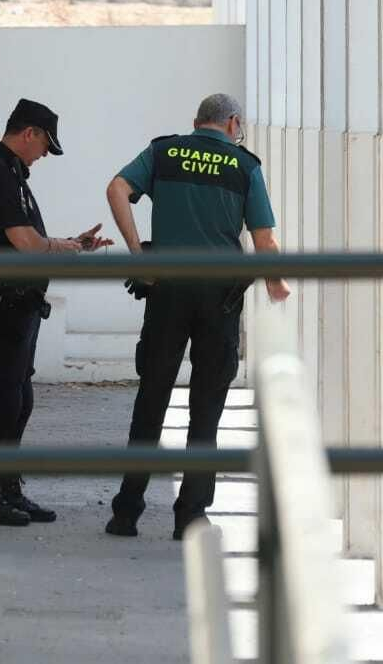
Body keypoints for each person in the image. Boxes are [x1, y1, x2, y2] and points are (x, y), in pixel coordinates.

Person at [102, 92, 291, 539]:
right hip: (217, 298)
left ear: (196, 122)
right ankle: (189, 516)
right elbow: (263, 240)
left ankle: (126, 512)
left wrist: (137, 255)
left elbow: (117, 189)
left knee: (151, 400)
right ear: (233, 124)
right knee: (206, 408)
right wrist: (276, 284)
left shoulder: (164, 152)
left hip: (166, 292)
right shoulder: (245, 167)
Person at [0, 97, 112, 527]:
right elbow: (26, 243)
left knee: (19, 398)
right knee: (3, 399)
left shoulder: (12, 173)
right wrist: (62, 247)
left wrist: (74, 243)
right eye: (45, 145)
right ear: (28, 133)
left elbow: (32, 238)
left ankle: (7, 489)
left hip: (21, 299)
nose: (45, 155)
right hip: (6, 299)